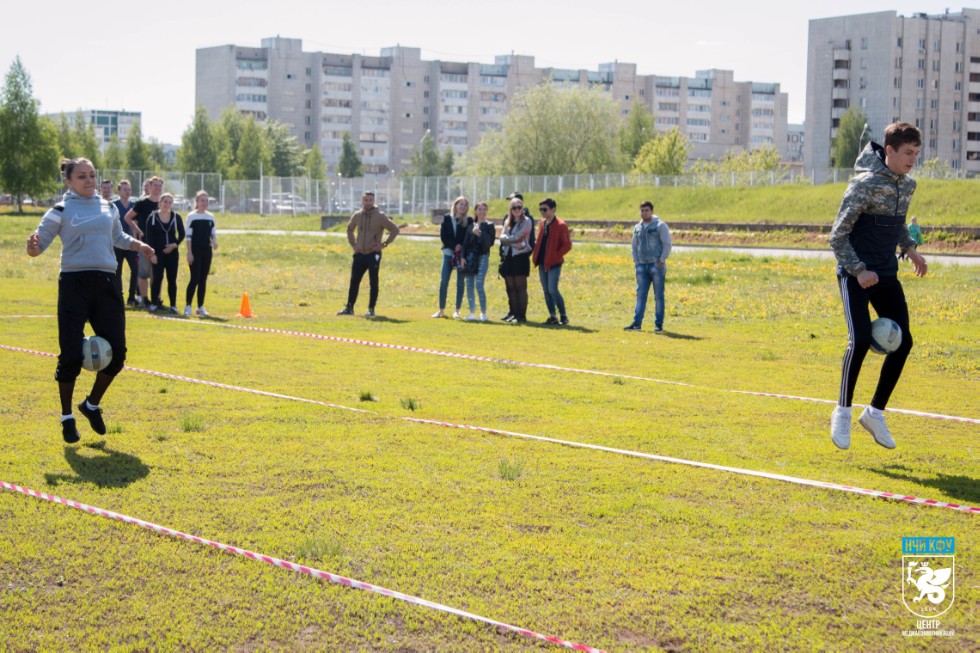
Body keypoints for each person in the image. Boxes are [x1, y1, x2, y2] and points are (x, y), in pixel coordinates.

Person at [26, 157, 156, 443]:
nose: (89, 181)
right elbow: (39, 246)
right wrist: (32, 247)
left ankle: (91, 405)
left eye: (92, 175)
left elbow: (118, 237)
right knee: (71, 354)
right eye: (82, 176)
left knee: (118, 354)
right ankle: (66, 417)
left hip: (108, 284)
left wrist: (140, 245)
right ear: (69, 181)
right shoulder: (59, 210)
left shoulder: (107, 207)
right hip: (74, 285)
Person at [828, 122, 928, 451]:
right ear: (890, 151)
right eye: (907, 153)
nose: (913, 159)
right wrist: (858, 271)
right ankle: (843, 411)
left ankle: (874, 413)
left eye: (916, 153)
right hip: (856, 274)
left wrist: (911, 249)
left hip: (886, 274)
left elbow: (897, 225)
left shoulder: (907, 185)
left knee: (904, 342)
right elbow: (837, 235)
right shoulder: (864, 185)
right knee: (858, 341)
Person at [338, 191, 399, 317]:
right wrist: (353, 245)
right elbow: (349, 229)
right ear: (362, 201)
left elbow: (395, 229)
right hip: (360, 253)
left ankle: (371, 309)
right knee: (354, 281)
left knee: (373, 282)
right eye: (366, 200)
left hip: (373, 254)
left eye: (370, 200)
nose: (368, 202)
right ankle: (349, 308)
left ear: (374, 201)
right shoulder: (357, 215)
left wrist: (384, 244)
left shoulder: (380, 216)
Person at [624, 201, 672, 333]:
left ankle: (658, 324)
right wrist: (636, 262)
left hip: (656, 266)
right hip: (642, 266)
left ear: (651, 211)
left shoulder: (660, 225)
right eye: (642, 210)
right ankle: (637, 323)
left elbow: (667, 244)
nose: (644, 213)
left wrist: (661, 260)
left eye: (646, 210)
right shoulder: (637, 227)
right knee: (640, 296)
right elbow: (634, 246)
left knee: (658, 296)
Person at [123, 176, 163, 308]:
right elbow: (128, 217)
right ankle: (145, 299)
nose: (157, 188)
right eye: (155, 185)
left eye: (159, 186)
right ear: (149, 187)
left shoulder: (164, 202)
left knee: (157, 273)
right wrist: (138, 232)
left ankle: (156, 299)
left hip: (160, 243)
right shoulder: (142, 203)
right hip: (146, 242)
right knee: (144, 272)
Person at [532, 197, 572, 325]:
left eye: (545, 209)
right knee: (546, 290)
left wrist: (555, 256)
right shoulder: (542, 223)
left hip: (554, 263)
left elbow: (567, 245)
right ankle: (552, 316)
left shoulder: (561, 225)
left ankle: (563, 315)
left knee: (552, 289)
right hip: (542, 263)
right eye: (541, 210)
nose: (542, 212)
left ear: (553, 209)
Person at [144, 193, 185, 314]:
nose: (167, 204)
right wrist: (152, 254)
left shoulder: (176, 217)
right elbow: (149, 237)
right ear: (160, 203)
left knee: (172, 279)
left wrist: (174, 245)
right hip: (157, 253)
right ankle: (154, 303)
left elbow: (182, 234)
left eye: (169, 202)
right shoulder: (152, 217)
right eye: (165, 202)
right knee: (157, 278)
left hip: (172, 253)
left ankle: (173, 305)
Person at [433, 196, 471, 318]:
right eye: (461, 204)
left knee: (460, 282)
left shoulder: (469, 220)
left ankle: (457, 310)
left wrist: (461, 247)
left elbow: (468, 237)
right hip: (448, 254)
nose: (463, 207)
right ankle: (441, 310)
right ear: (455, 205)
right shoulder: (447, 218)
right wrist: (454, 246)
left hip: (462, 256)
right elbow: (444, 236)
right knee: (444, 281)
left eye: (465, 205)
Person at [498, 197, 533, 323]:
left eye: (519, 207)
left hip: (521, 256)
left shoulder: (527, 221)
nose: (517, 210)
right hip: (508, 257)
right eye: (514, 208)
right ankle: (514, 314)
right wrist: (510, 240)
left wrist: (508, 240)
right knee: (511, 286)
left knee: (520, 287)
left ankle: (521, 316)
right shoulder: (507, 221)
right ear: (511, 209)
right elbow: (501, 238)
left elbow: (519, 238)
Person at [184, 190, 218, 317]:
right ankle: (188, 306)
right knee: (195, 278)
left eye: (206, 201)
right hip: (195, 251)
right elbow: (188, 237)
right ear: (197, 202)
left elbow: (213, 233)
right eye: (202, 200)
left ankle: (200, 307)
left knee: (203, 279)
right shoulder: (191, 216)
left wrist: (214, 242)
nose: (204, 203)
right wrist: (189, 253)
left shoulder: (210, 217)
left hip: (206, 251)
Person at [460, 201, 496, 321]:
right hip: (470, 259)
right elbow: (465, 244)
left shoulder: (490, 226)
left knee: (479, 285)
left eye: (484, 209)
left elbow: (488, 244)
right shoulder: (471, 225)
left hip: (483, 257)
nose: (482, 212)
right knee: (469, 284)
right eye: (479, 209)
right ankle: (472, 312)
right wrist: (462, 258)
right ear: (475, 211)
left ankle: (483, 313)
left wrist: (479, 233)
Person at [112, 179, 138, 307]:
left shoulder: (134, 205)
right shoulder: (113, 205)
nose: (127, 192)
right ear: (119, 191)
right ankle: (119, 297)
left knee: (135, 269)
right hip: (117, 243)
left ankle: (132, 298)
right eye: (124, 189)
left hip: (131, 244)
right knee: (118, 271)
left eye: (129, 189)